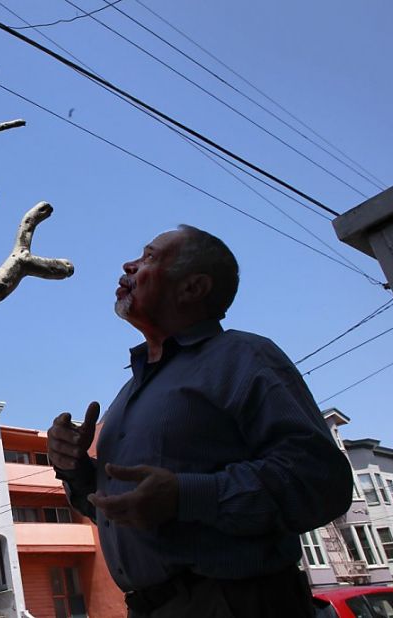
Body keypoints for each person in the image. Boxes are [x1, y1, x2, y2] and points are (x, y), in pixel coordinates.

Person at [48, 225, 353, 618]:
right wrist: (74, 469)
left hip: (237, 603)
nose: (129, 264)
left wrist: (184, 496)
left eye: (150, 257)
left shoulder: (243, 357)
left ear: (193, 288)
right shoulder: (128, 393)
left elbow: (321, 482)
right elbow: (122, 510)